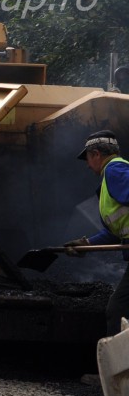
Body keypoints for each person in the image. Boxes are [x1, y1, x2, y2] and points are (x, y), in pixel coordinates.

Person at [64, 130, 129, 334]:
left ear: (96, 154)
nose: (87, 164)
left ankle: (120, 365)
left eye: (88, 158)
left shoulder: (115, 170)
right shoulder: (114, 175)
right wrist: (88, 244)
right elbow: (116, 231)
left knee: (118, 309)